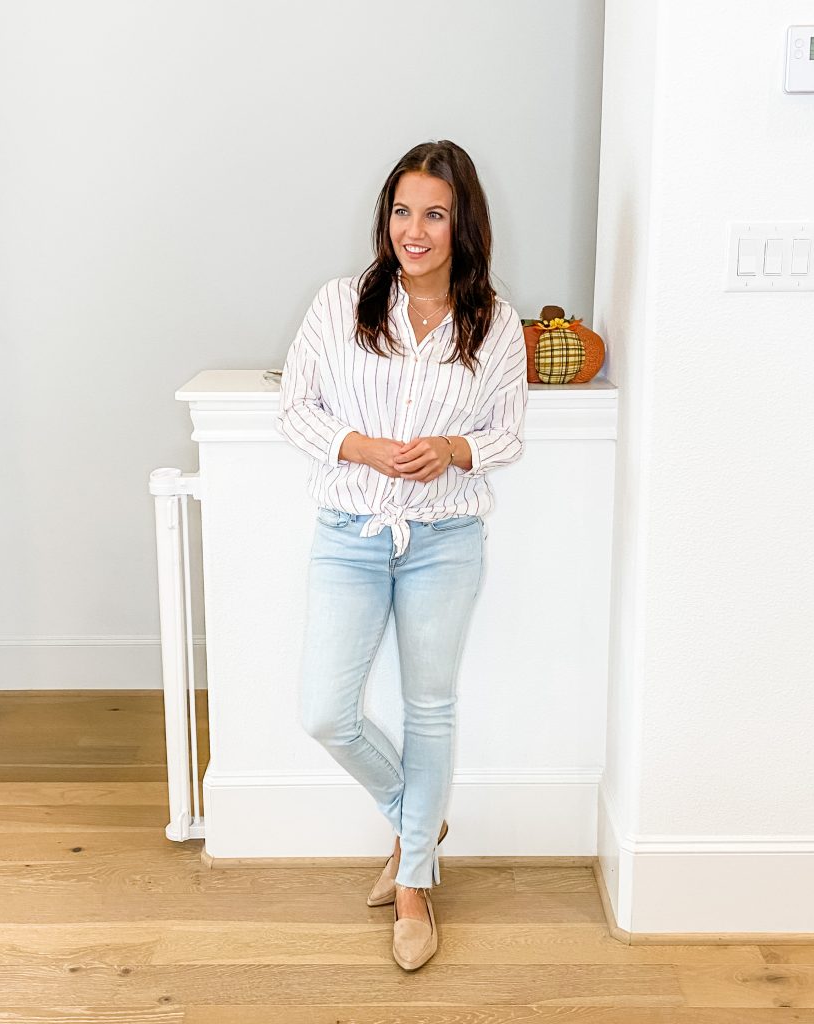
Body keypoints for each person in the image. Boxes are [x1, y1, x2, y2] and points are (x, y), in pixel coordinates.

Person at [276, 139, 528, 970]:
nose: (412, 230)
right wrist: (361, 447)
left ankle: (413, 879)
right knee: (325, 710)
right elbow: (296, 408)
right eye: (401, 210)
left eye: (433, 213)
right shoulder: (339, 303)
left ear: (461, 225)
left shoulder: (492, 318)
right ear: (385, 217)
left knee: (430, 707)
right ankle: (421, 815)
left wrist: (453, 448)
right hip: (349, 536)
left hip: (445, 540)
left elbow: (505, 433)